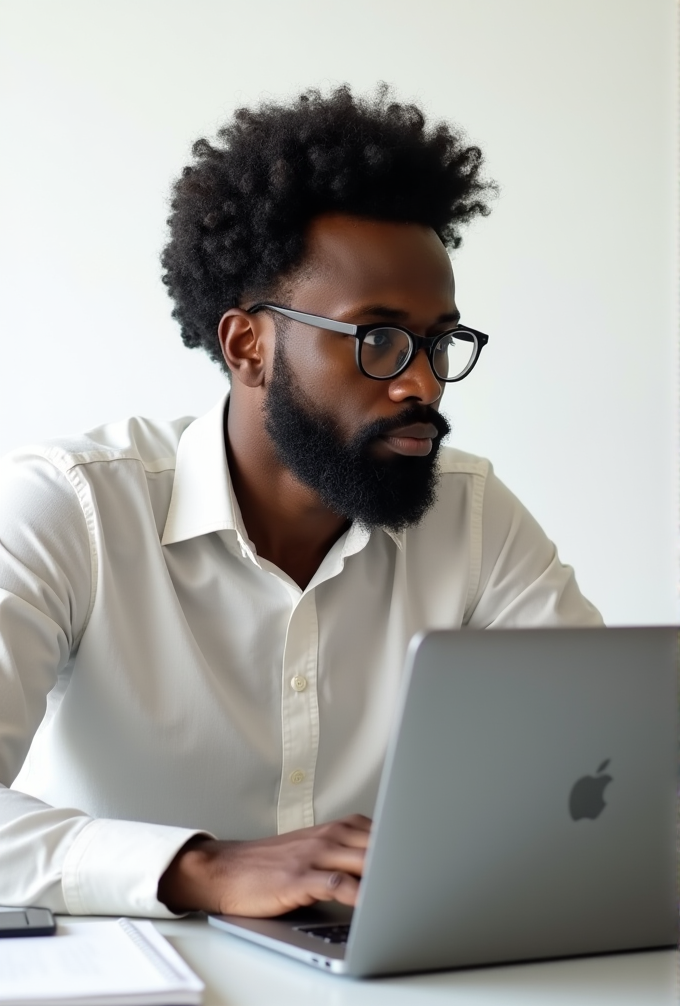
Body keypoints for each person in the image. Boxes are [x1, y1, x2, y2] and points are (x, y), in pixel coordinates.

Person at [0, 84, 601, 920]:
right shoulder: (74, 506)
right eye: (379, 339)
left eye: (438, 341)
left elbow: (611, 764)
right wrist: (199, 868)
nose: (423, 381)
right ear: (249, 345)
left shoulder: (472, 515)